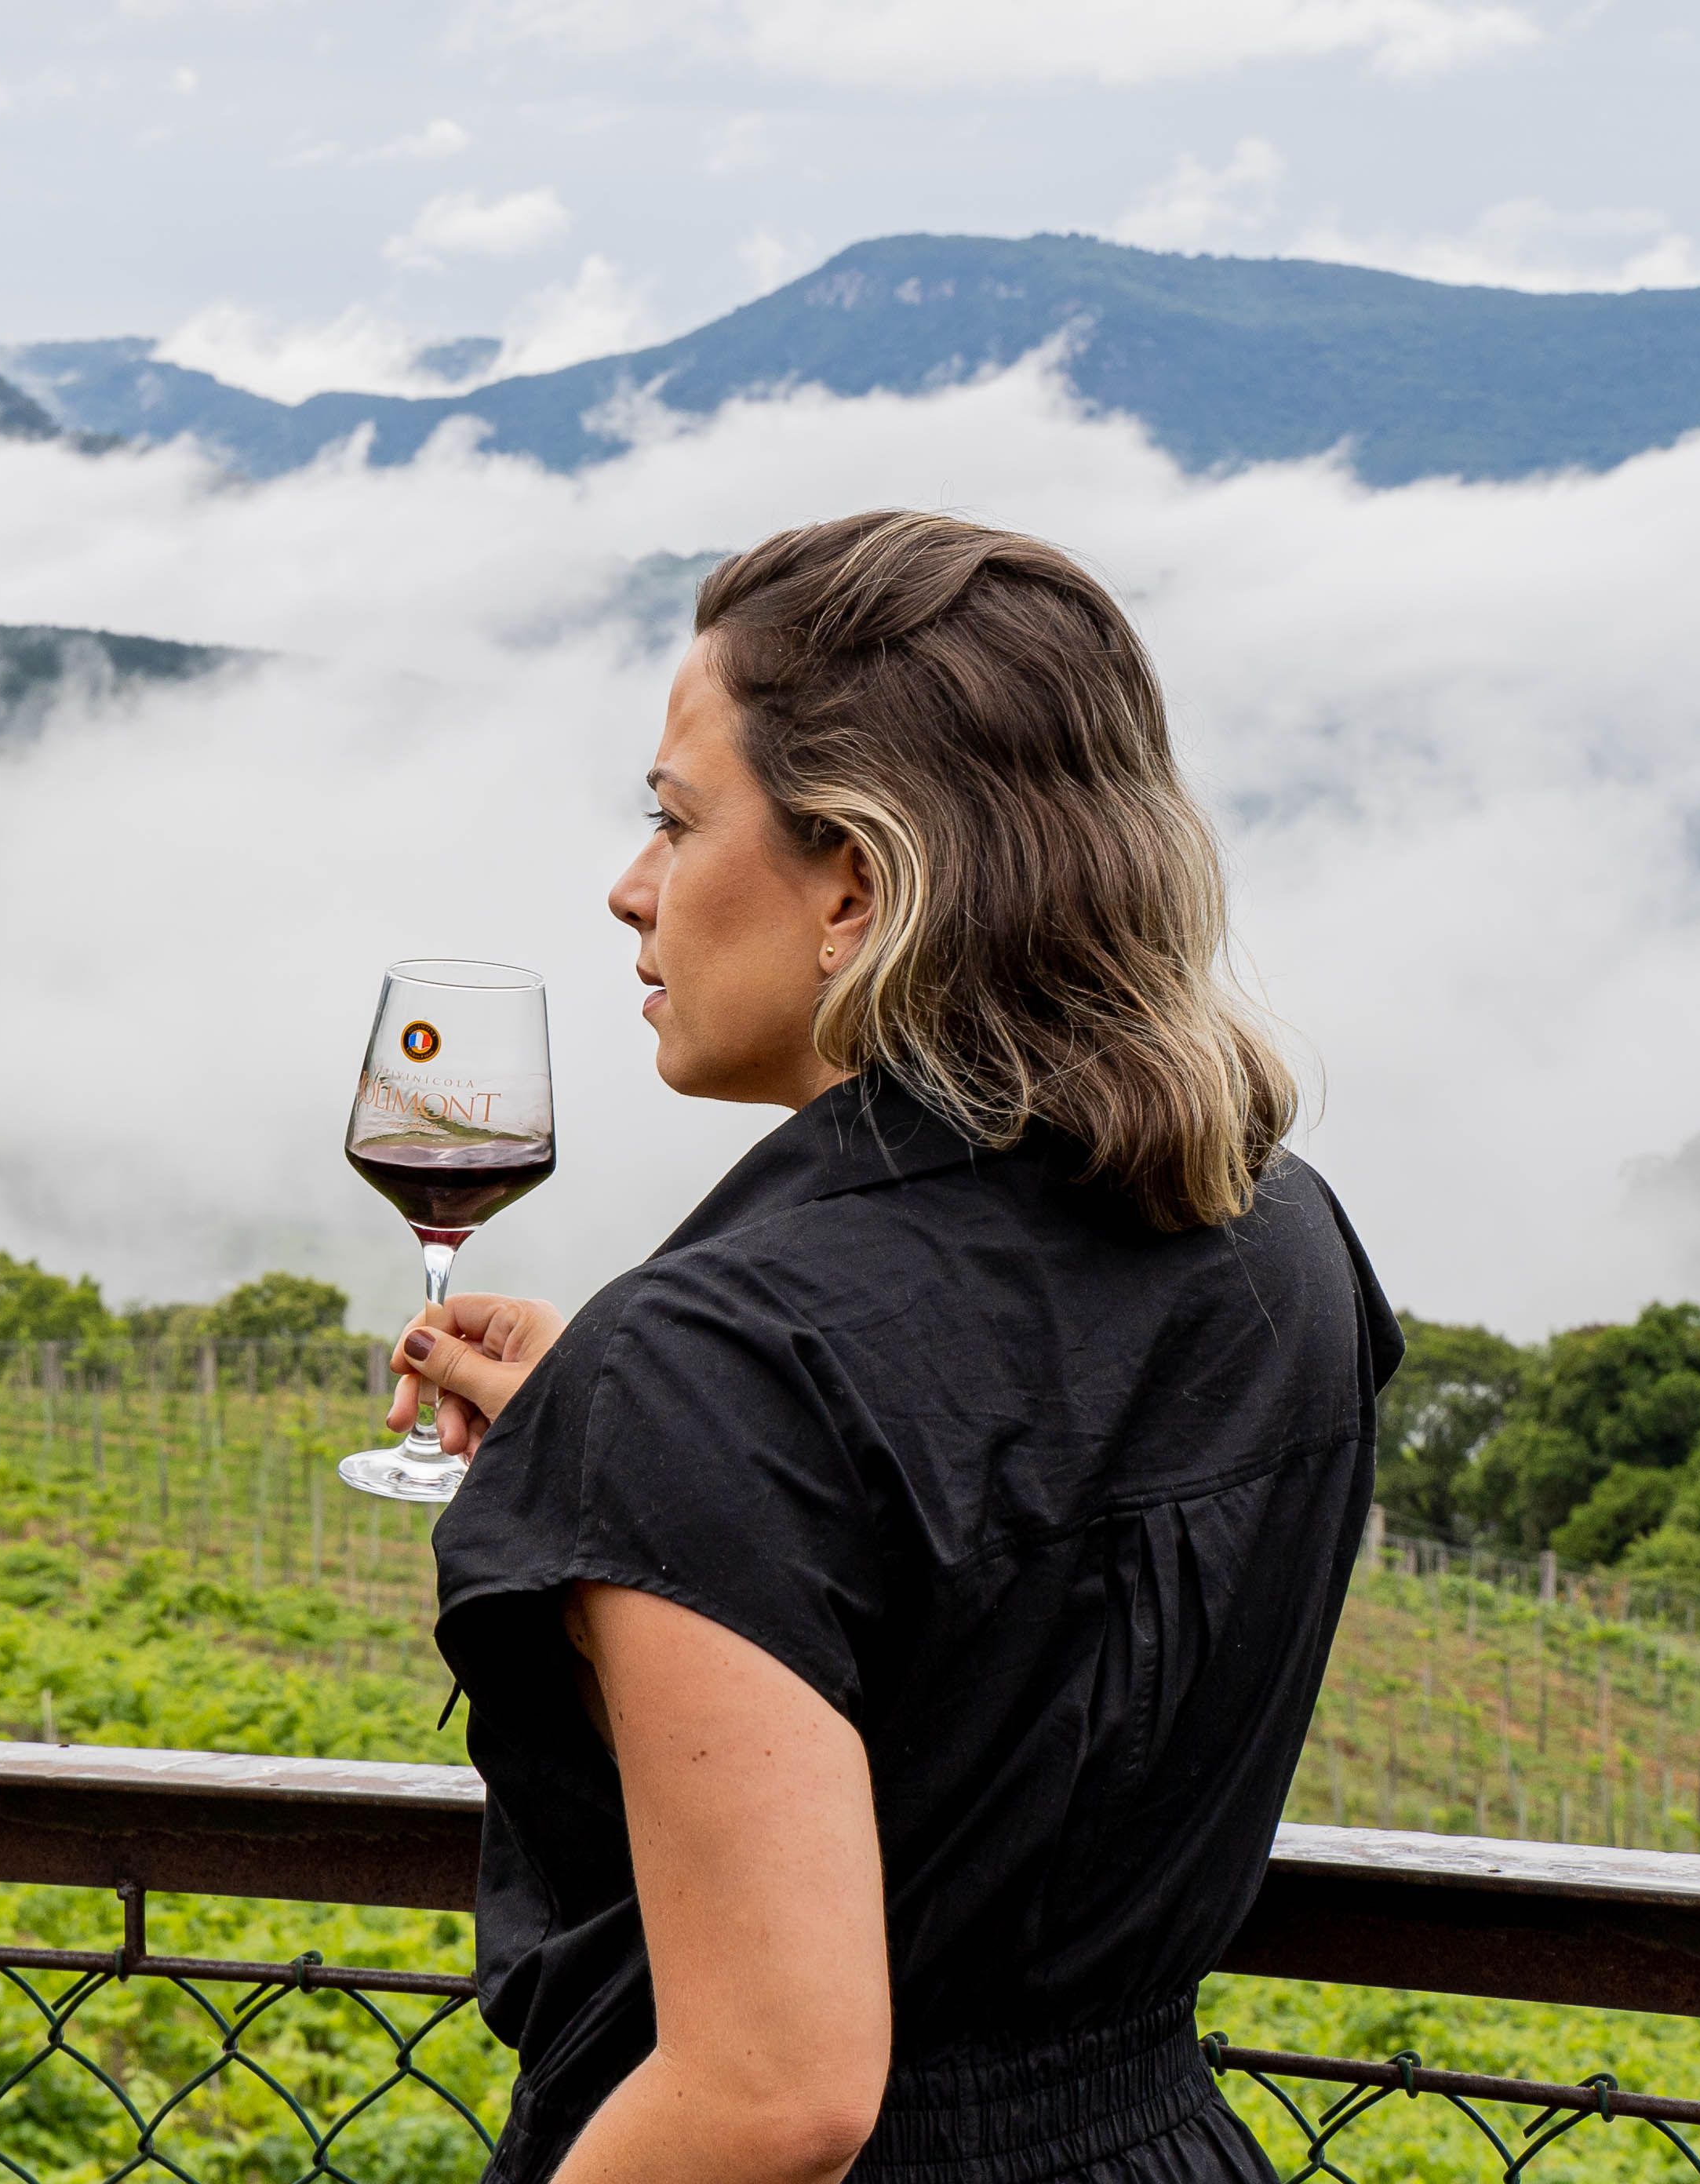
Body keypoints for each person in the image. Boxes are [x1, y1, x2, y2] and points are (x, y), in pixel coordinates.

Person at [390, 510, 1399, 2184]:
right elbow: (996, 1607)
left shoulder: (717, 1369)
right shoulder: (1283, 1238)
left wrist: (669, 1420)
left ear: (854, 882)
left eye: (674, 817)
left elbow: (774, 2093)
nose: (630, 883)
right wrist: (632, 1451)